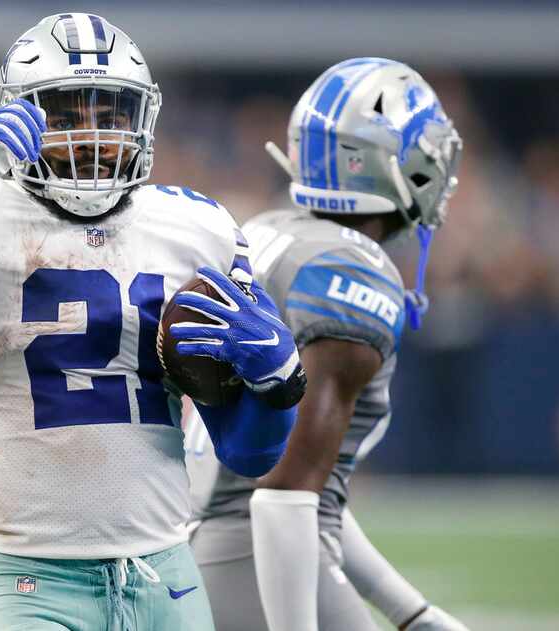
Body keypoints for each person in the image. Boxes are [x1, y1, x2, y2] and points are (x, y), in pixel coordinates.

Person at [0, 14, 305, 631]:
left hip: (167, 575)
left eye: (110, 113)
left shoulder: (197, 227)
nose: (91, 135)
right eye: (65, 116)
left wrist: (279, 387)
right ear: (18, 117)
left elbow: (249, 452)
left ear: (141, 119)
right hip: (31, 580)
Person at [186, 57, 470, 631]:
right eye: (424, 151)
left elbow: (318, 488)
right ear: (384, 164)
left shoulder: (271, 231)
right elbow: (281, 500)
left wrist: (410, 613)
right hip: (252, 555)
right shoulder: (350, 275)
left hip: (209, 546)